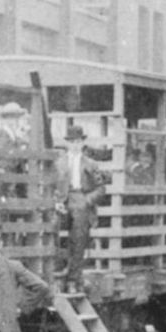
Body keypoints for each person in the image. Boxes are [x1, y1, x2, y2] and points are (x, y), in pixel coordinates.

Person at [54, 124, 110, 291]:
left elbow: (101, 188)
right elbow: (51, 185)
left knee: (78, 239)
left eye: (78, 141)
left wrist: (87, 200)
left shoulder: (91, 164)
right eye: (72, 141)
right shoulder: (59, 163)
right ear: (67, 143)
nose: (75, 145)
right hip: (62, 200)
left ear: (82, 143)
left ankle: (73, 279)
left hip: (81, 198)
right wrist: (56, 201)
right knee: (52, 229)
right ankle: (56, 274)